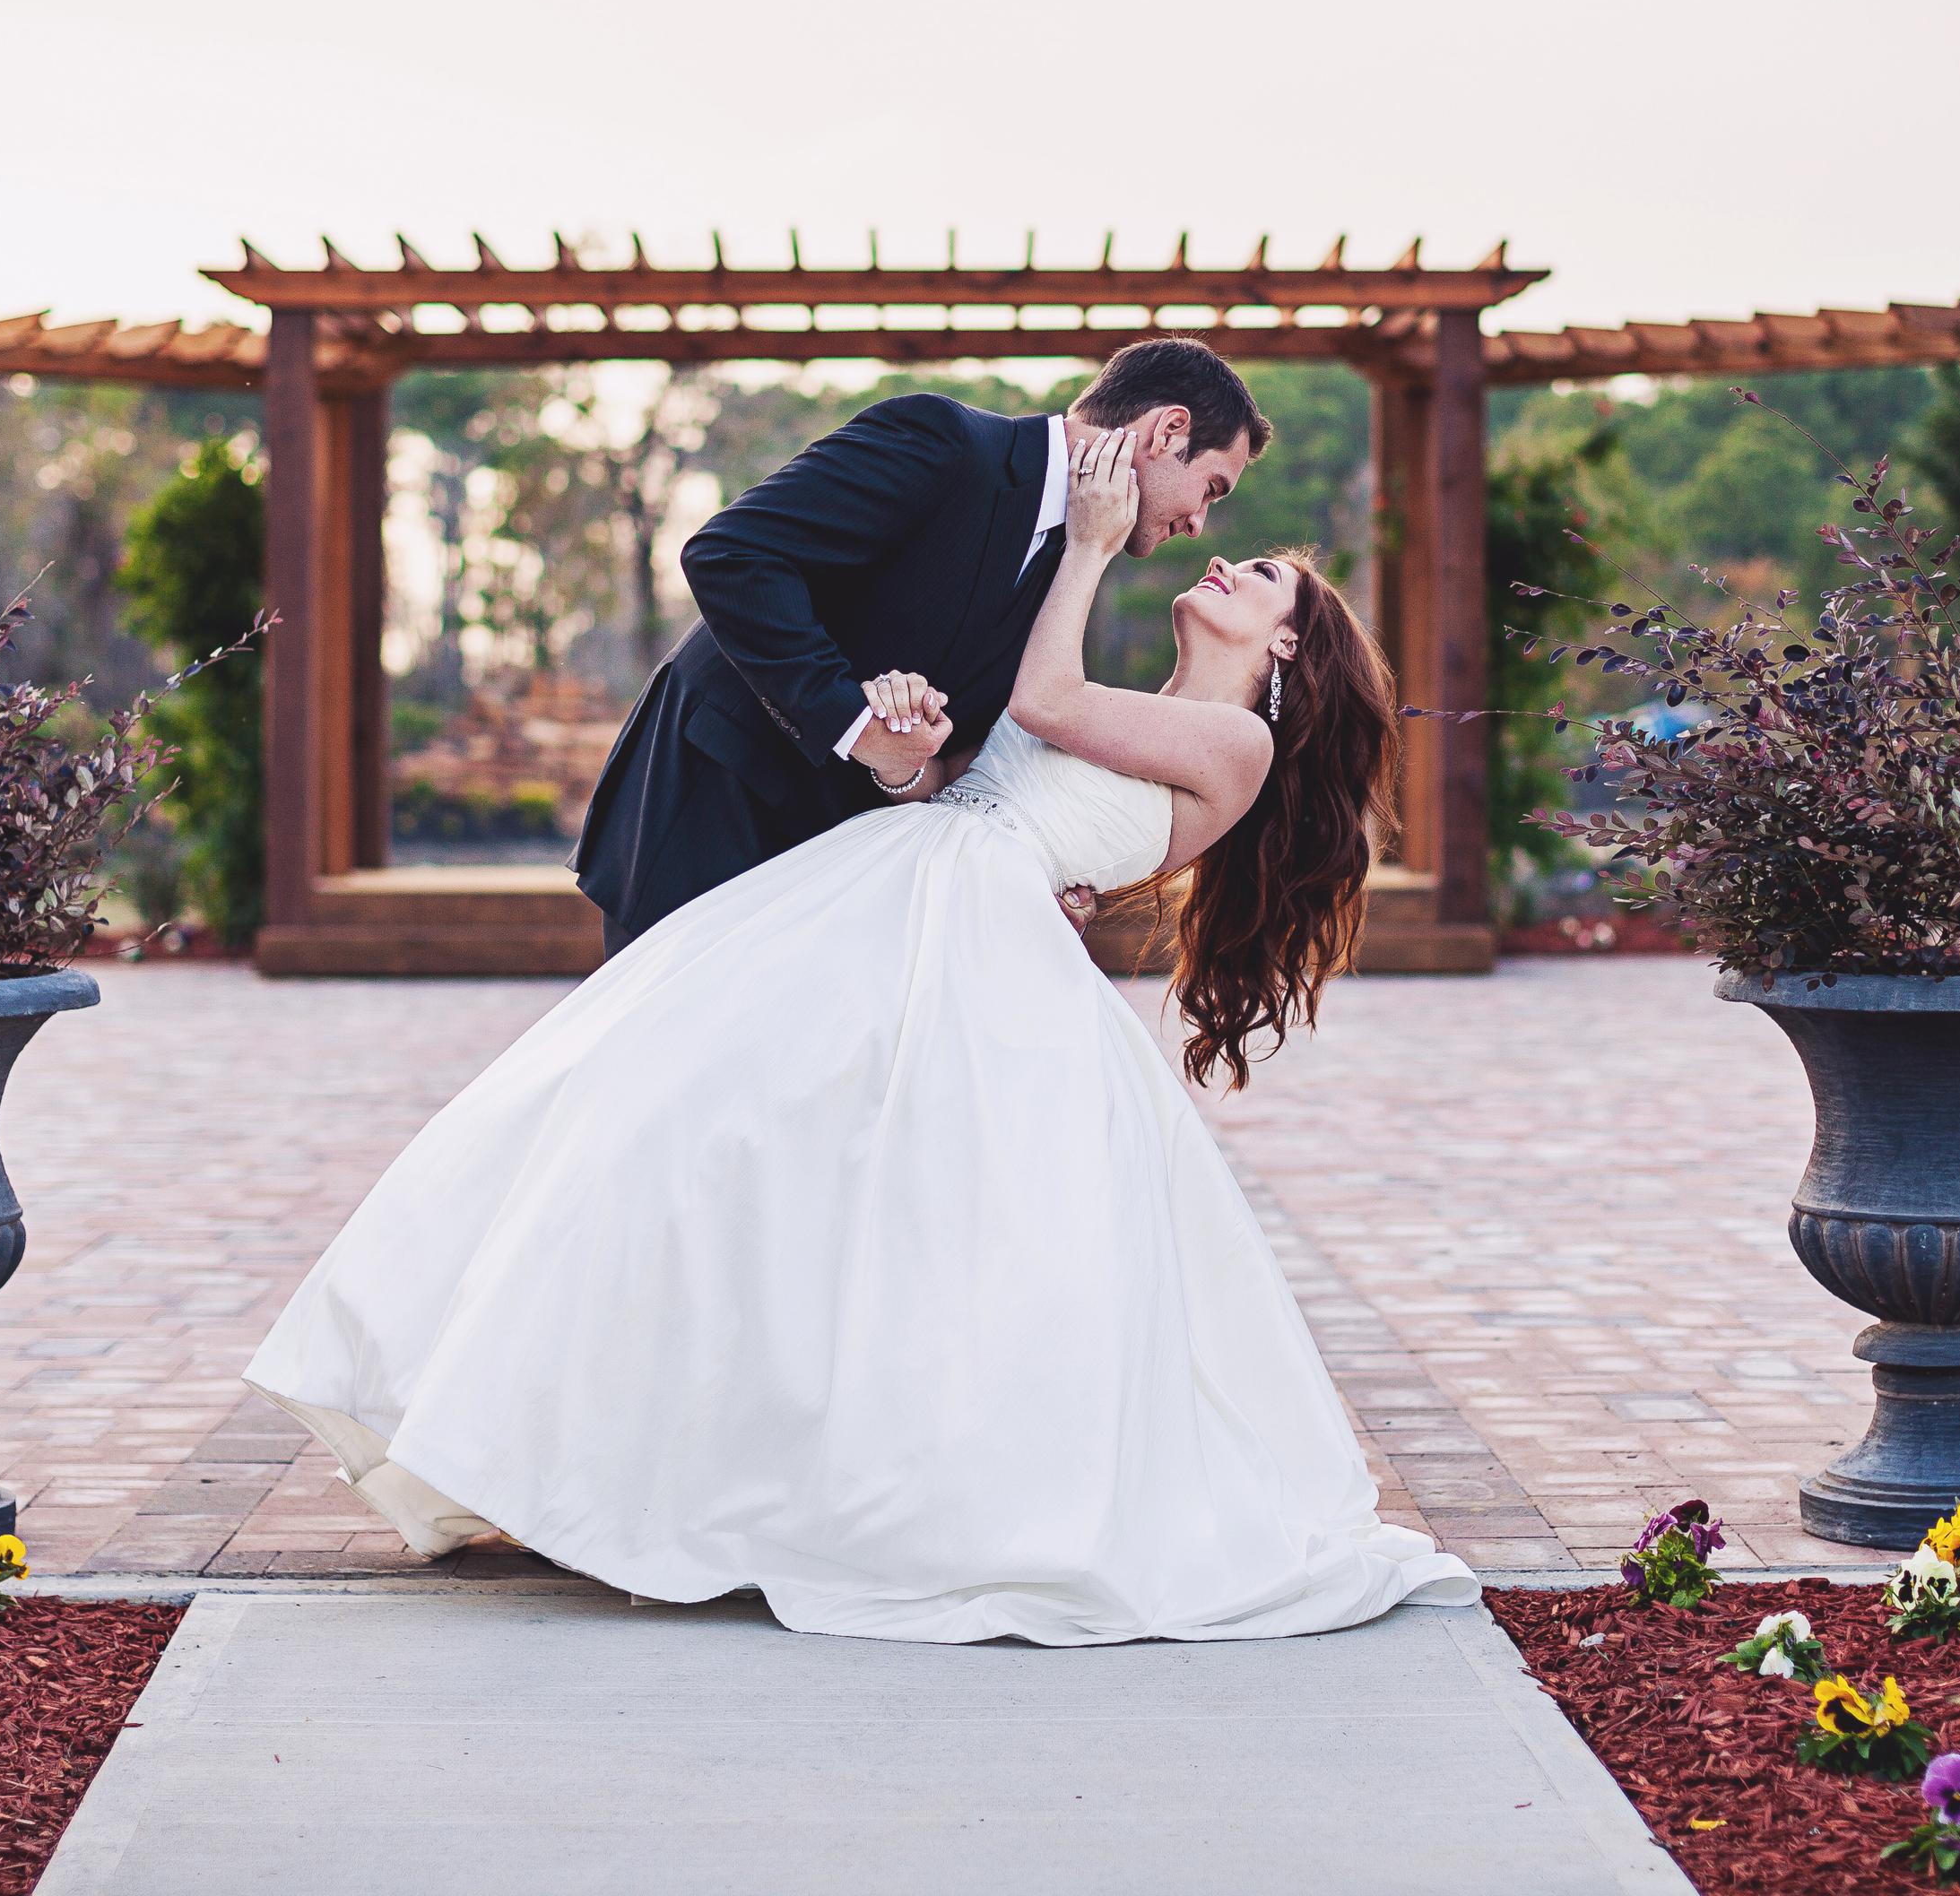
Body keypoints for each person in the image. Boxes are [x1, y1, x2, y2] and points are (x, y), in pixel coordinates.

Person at [245, 429, 1476, 1646]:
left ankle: (876, 1496)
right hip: (892, 894)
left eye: (1257, 577)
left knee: (903, 1228)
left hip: (968, 958)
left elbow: (1043, 710)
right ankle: (614, 1448)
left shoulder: (1237, 743)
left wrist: (1090, 548)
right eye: (1215, 511)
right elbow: (972, 781)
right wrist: (897, 735)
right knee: (699, 1145)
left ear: (1289, 642)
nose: (1219, 554)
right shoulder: (1149, 707)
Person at [572, 336, 1271, 954]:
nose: (1200, 523)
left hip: (832, 879)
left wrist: (1031, 873)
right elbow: (733, 555)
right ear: (1167, 430)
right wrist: (853, 725)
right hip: (708, 812)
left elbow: (975, 765)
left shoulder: (1074, 572)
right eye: (1210, 487)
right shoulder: (945, 443)